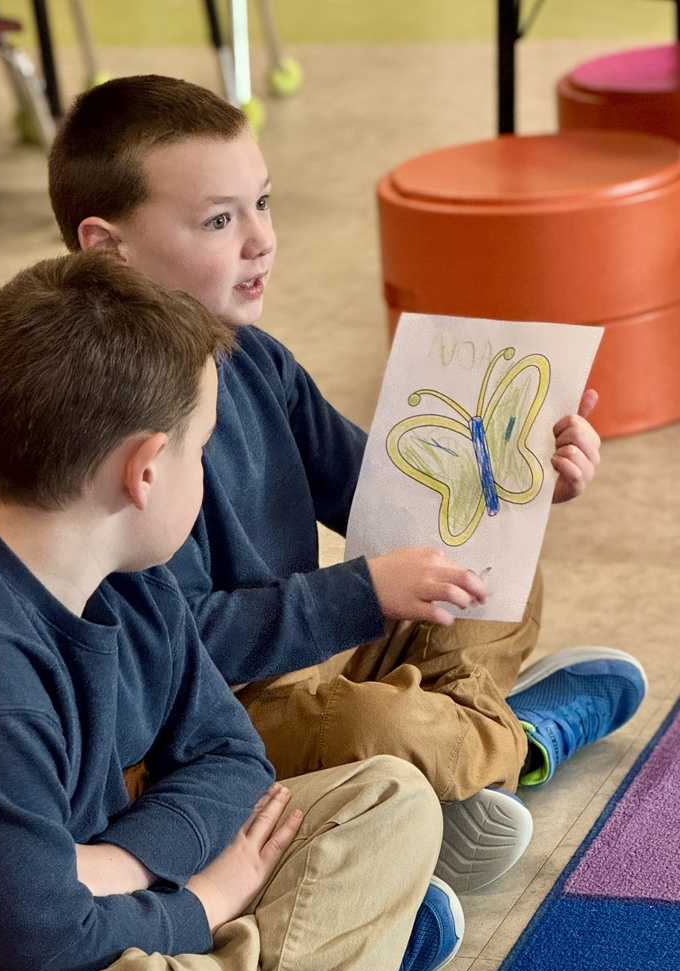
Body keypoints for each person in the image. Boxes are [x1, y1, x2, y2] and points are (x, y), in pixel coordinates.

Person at [47, 74, 647, 897]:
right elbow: (178, 644)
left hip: (313, 655)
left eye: (263, 203)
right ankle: (510, 742)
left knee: (485, 561)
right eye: (220, 220)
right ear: (108, 249)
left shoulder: (254, 357)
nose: (261, 239)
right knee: (380, 722)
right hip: (208, 717)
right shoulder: (98, 428)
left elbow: (391, 494)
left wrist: (523, 473)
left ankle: (458, 759)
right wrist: (362, 591)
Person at [0, 252, 460, 971]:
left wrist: (126, 863)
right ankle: (280, 968)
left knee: (388, 802)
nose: (206, 468)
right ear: (145, 470)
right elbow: (44, 951)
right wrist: (203, 903)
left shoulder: (130, 572)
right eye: (200, 449)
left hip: (92, 900)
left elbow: (232, 756)